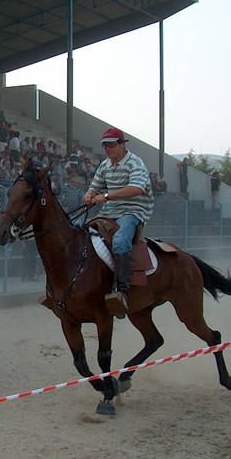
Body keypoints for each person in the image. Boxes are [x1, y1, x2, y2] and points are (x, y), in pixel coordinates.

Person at [82, 127, 154, 317]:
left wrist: (105, 196)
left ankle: (122, 292)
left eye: (111, 144)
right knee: (80, 232)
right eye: (105, 145)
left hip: (132, 211)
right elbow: (94, 186)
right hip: (109, 212)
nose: (107, 148)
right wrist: (89, 195)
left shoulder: (135, 163)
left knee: (121, 240)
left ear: (123, 144)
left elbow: (136, 189)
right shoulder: (105, 165)